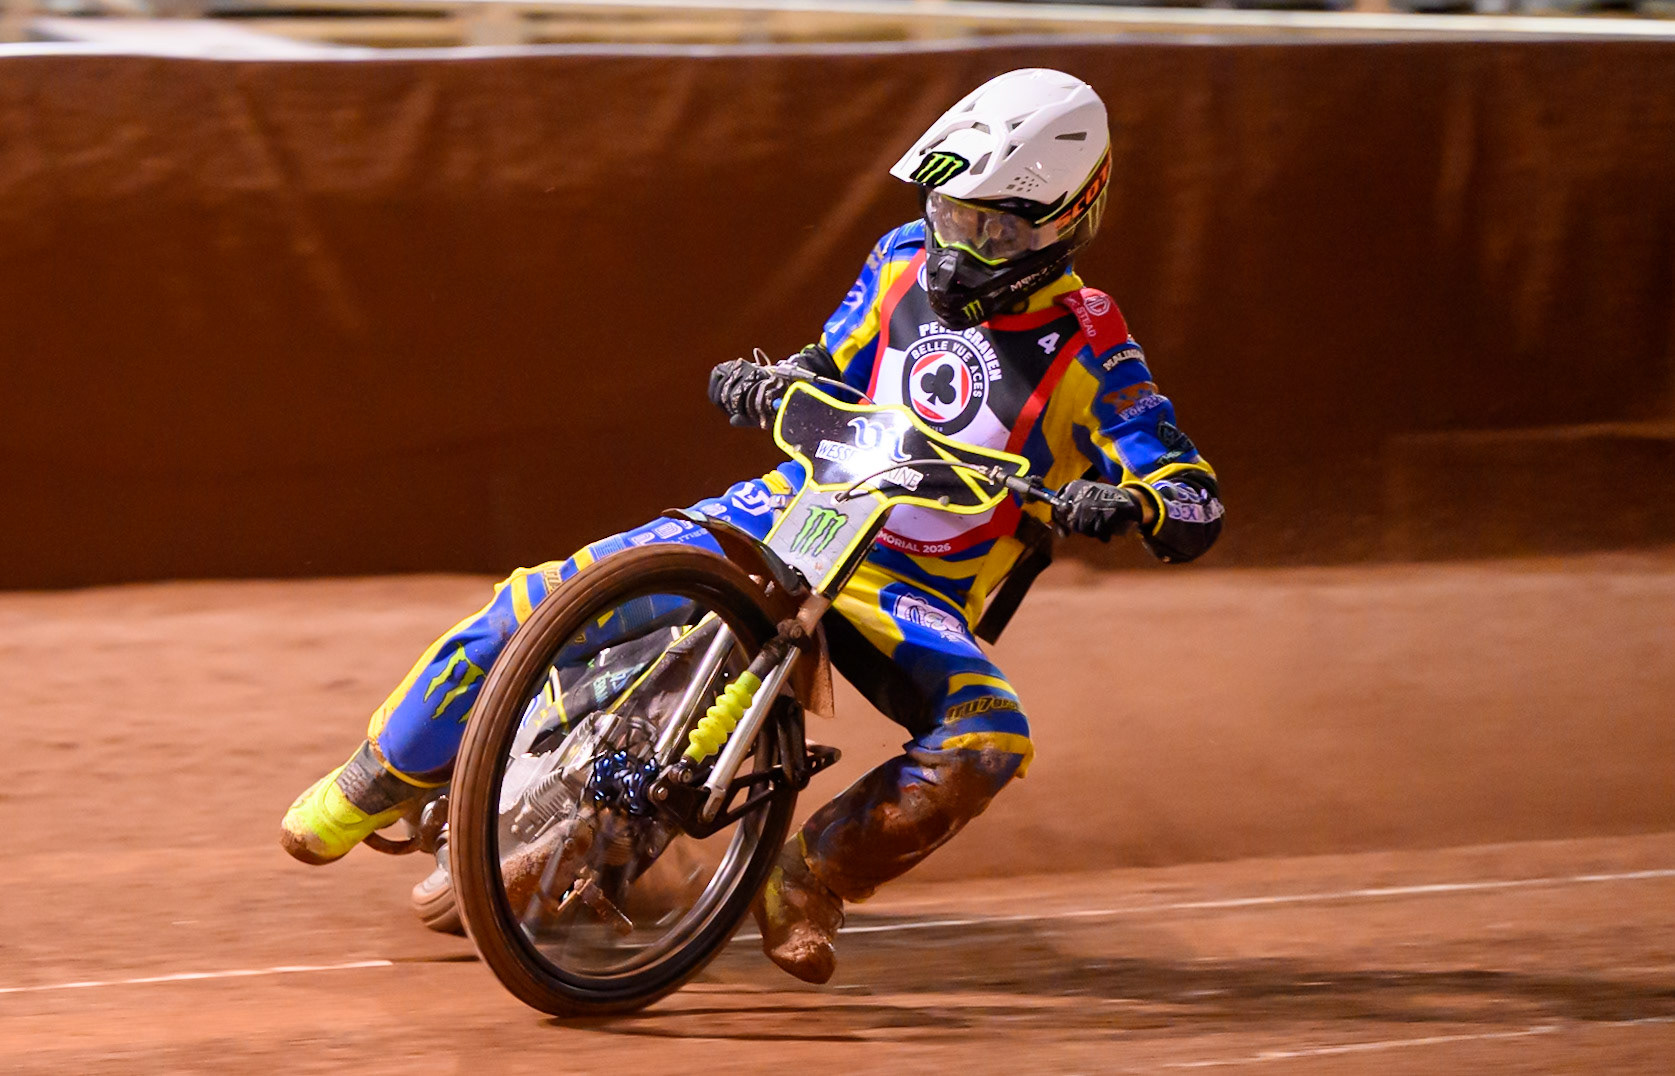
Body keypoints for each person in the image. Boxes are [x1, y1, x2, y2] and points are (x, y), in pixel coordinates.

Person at [280, 67, 1224, 984]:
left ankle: (808, 878)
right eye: (948, 214)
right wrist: (770, 379)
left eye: (990, 227)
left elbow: (1191, 493)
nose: (954, 247)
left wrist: (1136, 501)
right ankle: (377, 777)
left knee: (988, 739)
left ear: (1064, 221)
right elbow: (831, 361)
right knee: (536, 600)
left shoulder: (1093, 344)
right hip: (793, 512)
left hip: (911, 589)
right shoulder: (898, 257)